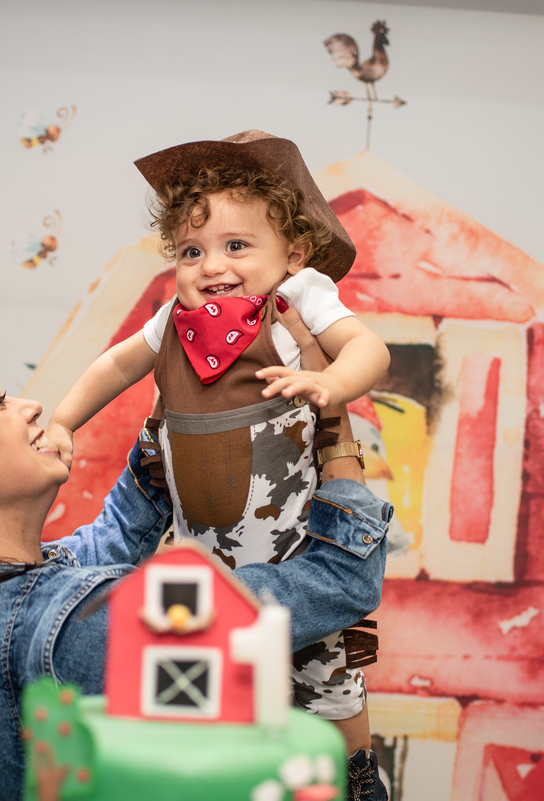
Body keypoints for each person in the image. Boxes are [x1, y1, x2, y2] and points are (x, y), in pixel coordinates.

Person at [0, 334, 403, 801]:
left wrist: (179, 416)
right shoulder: (65, 629)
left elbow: (109, 540)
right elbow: (338, 581)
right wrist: (334, 429)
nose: (32, 409)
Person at [46, 130, 391, 794]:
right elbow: (118, 364)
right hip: (207, 551)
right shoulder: (174, 321)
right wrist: (63, 417)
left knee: (331, 679)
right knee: (219, 695)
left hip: (294, 550)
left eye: (237, 246)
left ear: (291, 254)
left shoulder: (298, 297)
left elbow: (367, 348)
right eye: (191, 251)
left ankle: (356, 772)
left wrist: (331, 385)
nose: (211, 266)